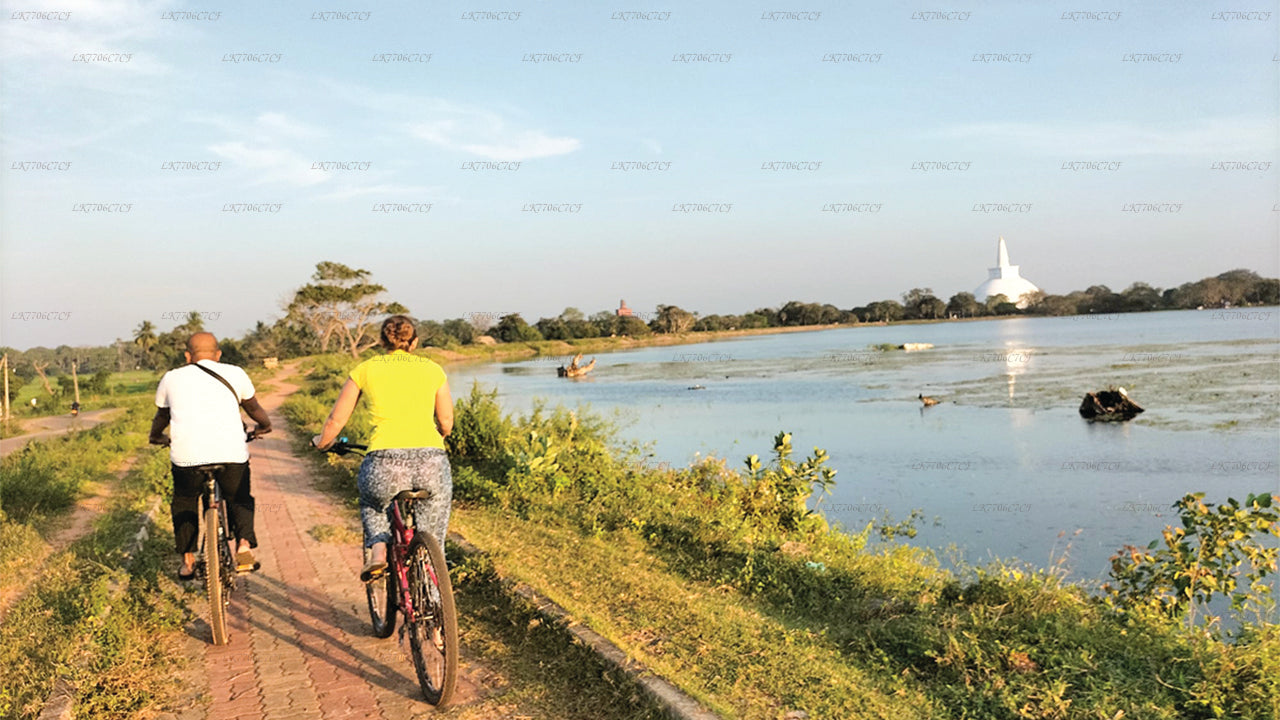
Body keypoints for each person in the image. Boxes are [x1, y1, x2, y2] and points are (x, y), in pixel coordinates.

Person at [311, 315, 454, 582]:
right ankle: (435, 607)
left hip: (384, 461)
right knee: (433, 536)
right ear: (415, 342)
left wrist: (321, 442)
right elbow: (446, 421)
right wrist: (440, 436)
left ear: (381, 341)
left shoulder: (365, 370)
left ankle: (378, 551)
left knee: (373, 503)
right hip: (432, 461)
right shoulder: (433, 369)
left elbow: (336, 420)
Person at [149, 332, 271, 580]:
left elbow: (162, 416)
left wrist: (156, 437)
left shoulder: (171, 378)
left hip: (187, 459)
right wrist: (265, 426)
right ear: (218, 354)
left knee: (184, 500)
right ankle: (244, 546)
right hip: (231, 456)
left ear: (187, 356)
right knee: (239, 497)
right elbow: (254, 408)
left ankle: (187, 561)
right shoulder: (236, 373)